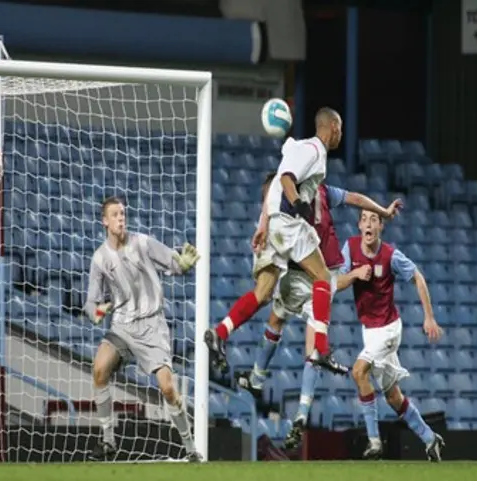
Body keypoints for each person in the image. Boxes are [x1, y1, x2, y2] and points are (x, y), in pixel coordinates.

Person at [233, 173, 402, 446]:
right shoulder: (323, 191)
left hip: (310, 274)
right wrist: (382, 211)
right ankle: (297, 413)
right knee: (308, 344)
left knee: (278, 320)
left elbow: (278, 222)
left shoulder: (291, 201)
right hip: (320, 273)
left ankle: (261, 381)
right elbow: (355, 198)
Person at [205, 107, 347, 374]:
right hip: (288, 223)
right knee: (324, 278)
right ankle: (321, 348)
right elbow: (286, 178)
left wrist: (263, 222)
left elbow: (274, 185)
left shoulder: (298, 148)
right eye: (340, 127)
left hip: (274, 224)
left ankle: (220, 332)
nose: (342, 133)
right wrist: (298, 204)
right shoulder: (314, 150)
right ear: (333, 126)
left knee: (263, 293)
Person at [84, 196, 202, 461]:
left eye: (123, 213)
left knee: (168, 389)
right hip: (123, 327)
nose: (120, 218)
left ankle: (191, 448)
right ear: (104, 221)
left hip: (152, 326)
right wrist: (99, 311)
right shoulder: (100, 258)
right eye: (114, 214)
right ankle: (107, 441)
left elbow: (173, 262)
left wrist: (182, 264)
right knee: (100, 368)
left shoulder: (143, 243)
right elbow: (90, 304)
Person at [339, 209, 445, 461]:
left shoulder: (390, 255)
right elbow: (336, 282)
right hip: (370, 331)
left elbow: (418, 277)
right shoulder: (350, 248)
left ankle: (374, 441)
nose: (368, 223)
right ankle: (430, 438)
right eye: (364, 219)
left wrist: (429, 317)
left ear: (381, 227)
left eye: (373, 219)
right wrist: (354, 274)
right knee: (392, 396)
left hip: (388, 329)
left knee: (358, 371)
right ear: (358, 225)